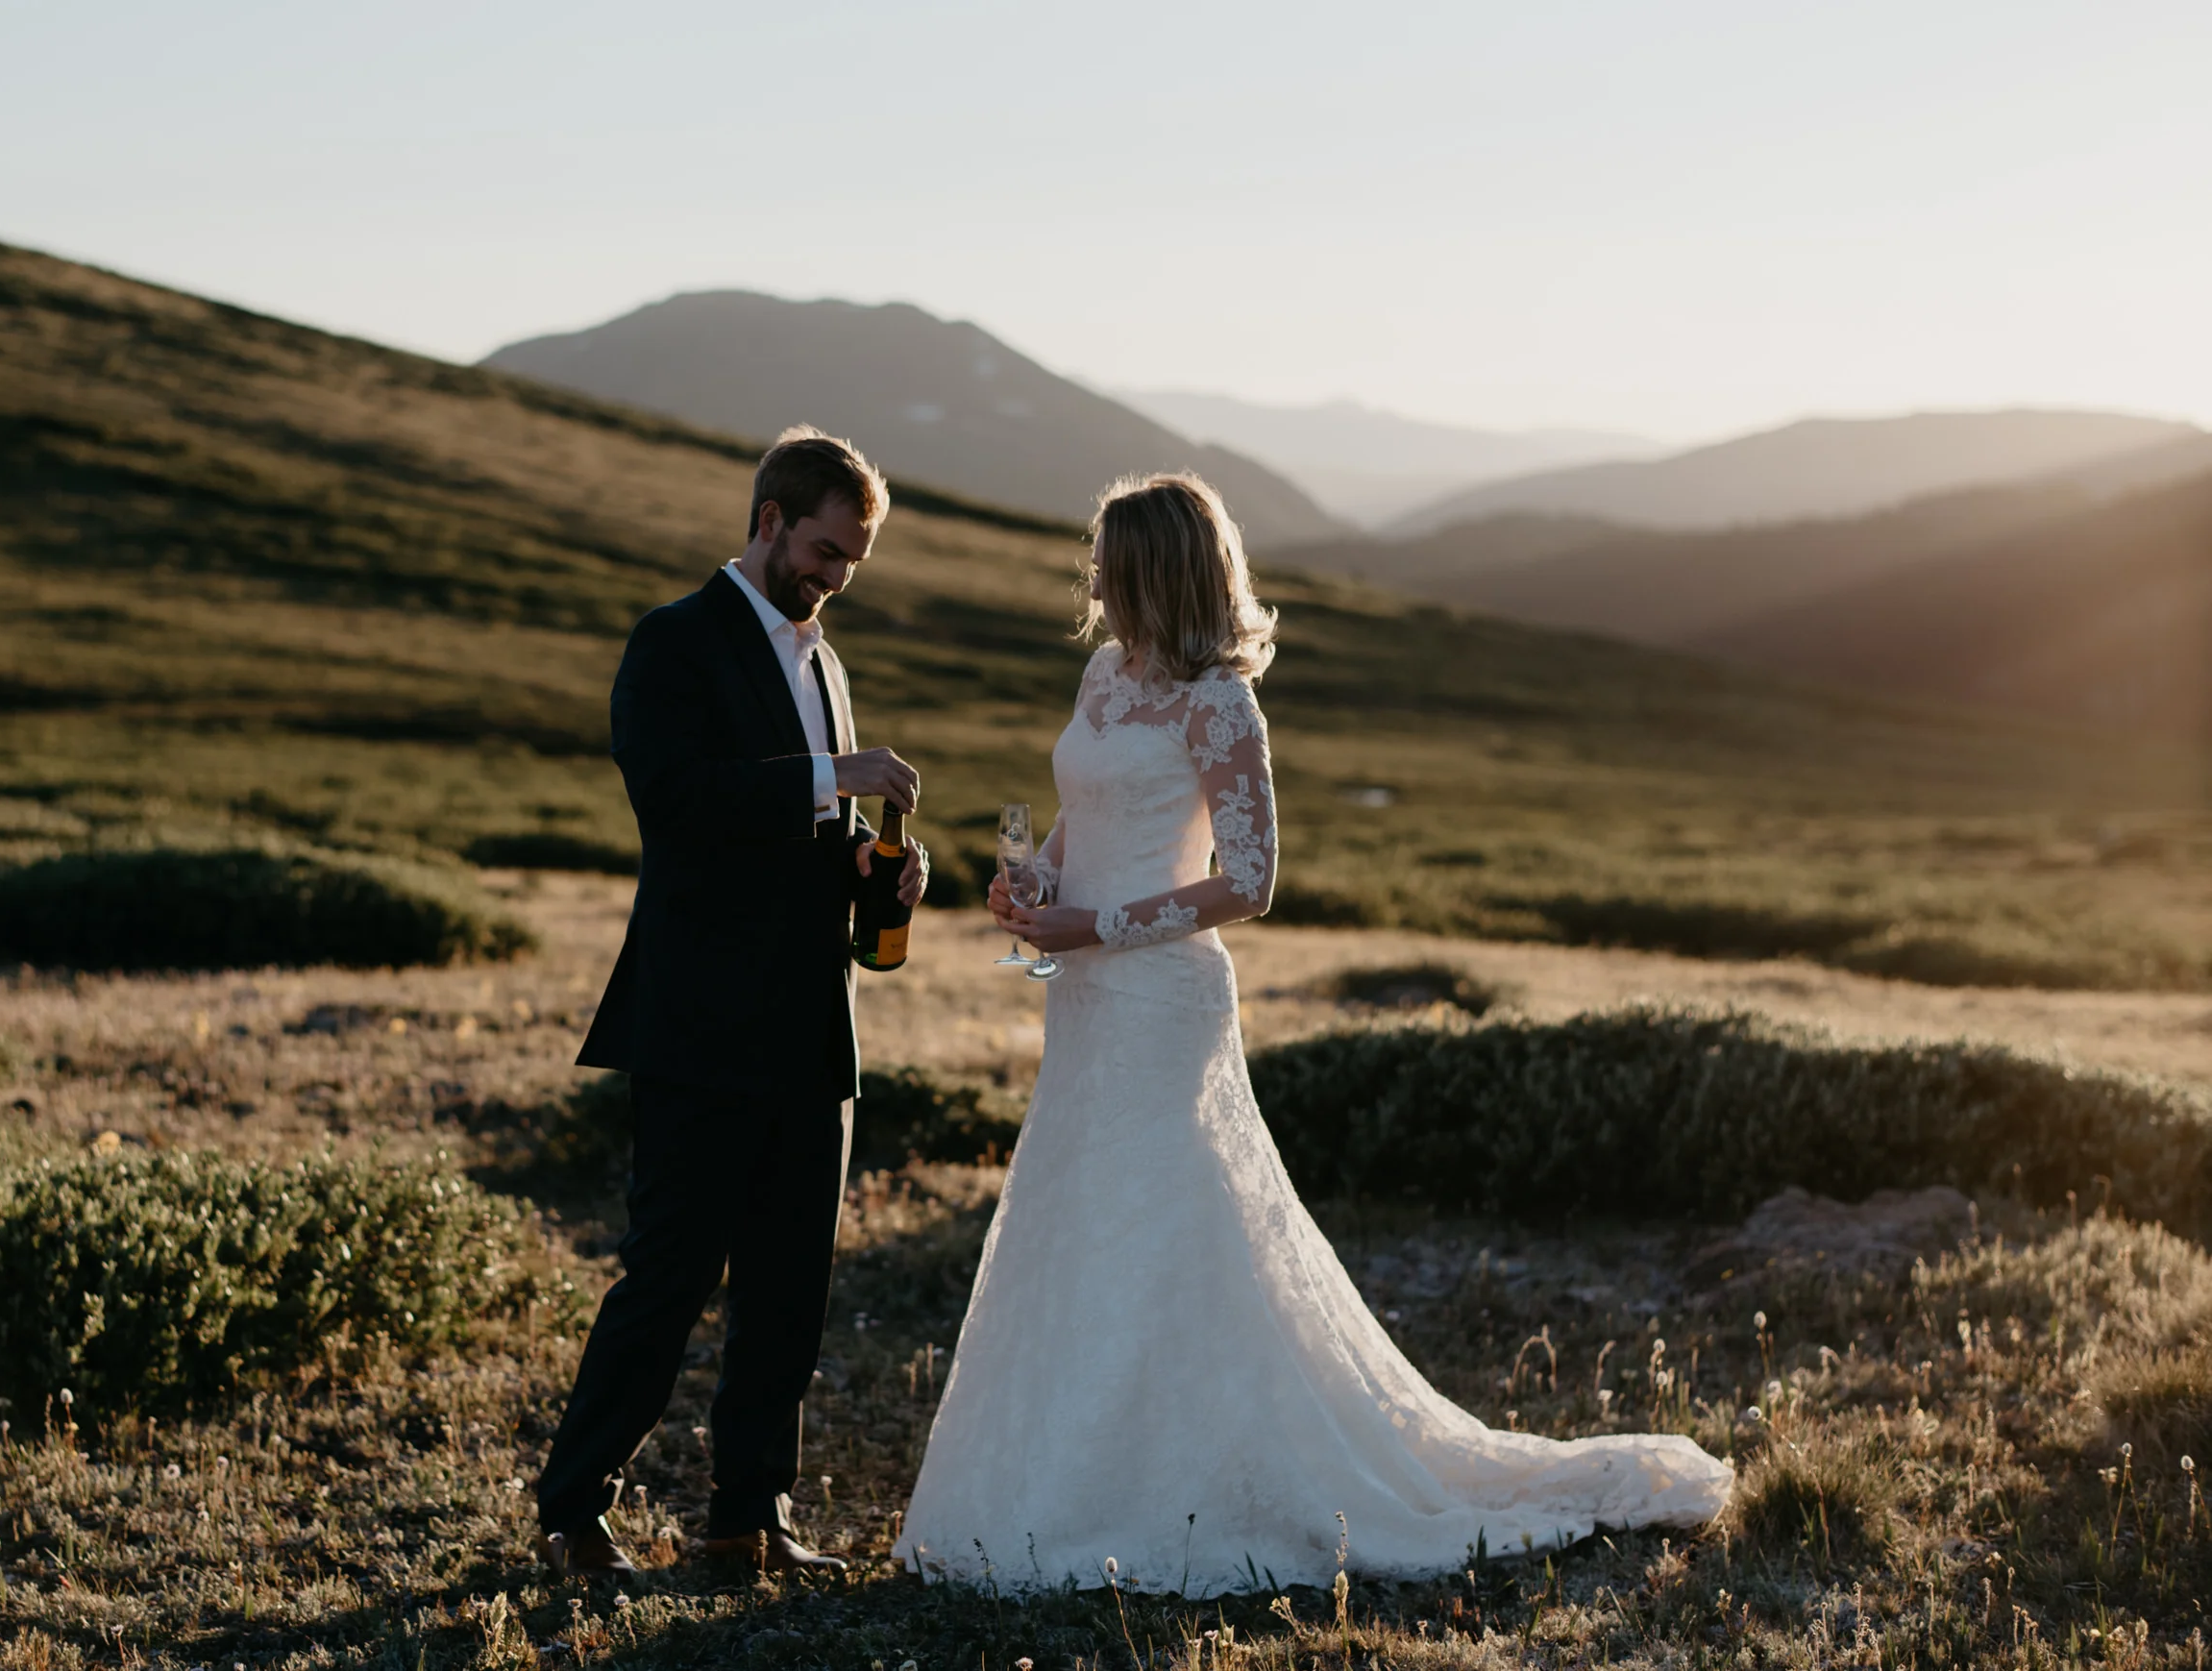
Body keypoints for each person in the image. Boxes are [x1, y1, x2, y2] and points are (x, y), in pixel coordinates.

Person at [894, 473, 1730, 1595]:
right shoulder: (1105, 672)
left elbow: (1251, 878)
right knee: (1079, 1219)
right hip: (1084, 996)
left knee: (1170, 1225)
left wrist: (1097, 921)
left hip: (1159, 996)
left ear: (1156, 568)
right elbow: (1083, 819)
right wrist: (1036, 875)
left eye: (1106, 558)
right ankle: (1058, 1481)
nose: (1089, 576)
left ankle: (1184, 1483)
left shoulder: (1220, 702)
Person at [539, 427, 928, 1578]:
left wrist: (876, 861)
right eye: (823, 548)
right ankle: (572, 1509)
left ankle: (747, 1519)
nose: (835, 575)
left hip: (811, 1023)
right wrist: (833, 779)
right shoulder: (674, 641)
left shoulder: (825, 661)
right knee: (667, 1277)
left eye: (853, 558)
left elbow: (811, 828)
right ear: (768, 520)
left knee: (788, 1291)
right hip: (700, 1020)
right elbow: (675, 800)